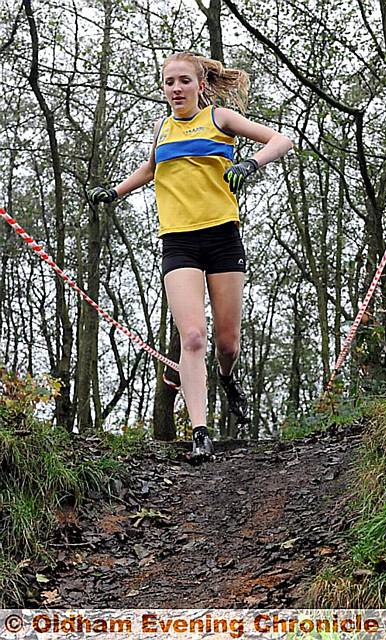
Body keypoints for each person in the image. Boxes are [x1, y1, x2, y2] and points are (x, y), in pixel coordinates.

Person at [88, 52, 293, 459]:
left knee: (227, 343)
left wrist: (251, 163)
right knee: (194, 336)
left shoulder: (220, 119)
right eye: (169, 82)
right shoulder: (162, 129)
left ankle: (226, 376)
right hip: (177, 241)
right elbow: (151, 169)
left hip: (222, 237)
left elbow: (281, 140)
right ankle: (200, 432)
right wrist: (115, 192)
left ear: (200, 85)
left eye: (184, 81)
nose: (176, 89)